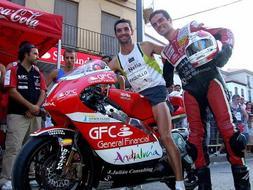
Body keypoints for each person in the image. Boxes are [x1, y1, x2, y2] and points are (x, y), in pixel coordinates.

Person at [149, 9, 250, 190]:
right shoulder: (165, 53)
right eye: (155, 24)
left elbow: (225, 32)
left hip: (212, 80)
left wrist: (225, 51)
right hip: (190, 91)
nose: (159, 25)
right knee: (194, 142)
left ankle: (243, 185)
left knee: (230, 133)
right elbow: (167, 79)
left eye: (161, 20)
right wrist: (163, 95)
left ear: (169, 19)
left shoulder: (191, 27)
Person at [108, 18, 185, 190]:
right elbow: (100, 73)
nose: (123, 33)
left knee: (165, 136)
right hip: (138, 98)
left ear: (131, 31)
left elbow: (170, 52)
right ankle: (134, 180)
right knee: (129, 138)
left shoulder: (145, 47)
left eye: (126, 29)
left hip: (157, 93)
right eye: (119, 30)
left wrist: (169, 77)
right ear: (115, 35)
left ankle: (180, 183)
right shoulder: (116, 61)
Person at [0, 42, 47, 189]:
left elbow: (43, 91)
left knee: (32, 148)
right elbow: (11, 91)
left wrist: (36, 108)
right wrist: (31, 106)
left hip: (35, 116)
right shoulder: (13, 70)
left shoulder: (38, 72)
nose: (38, 56)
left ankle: (30, 176)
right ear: (26, 54)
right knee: (13, 148)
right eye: (35, 53)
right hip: (17, 115)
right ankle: (6, 180)